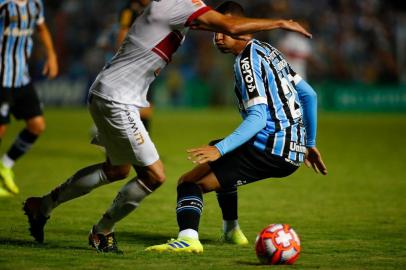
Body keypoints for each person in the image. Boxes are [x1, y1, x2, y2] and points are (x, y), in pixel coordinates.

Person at [23, 0, 312, 253]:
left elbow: (223, 24)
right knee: (155, 176)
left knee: (117, 169)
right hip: (117, 99)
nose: (218, 36)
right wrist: (280, 22)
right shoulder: (178, 5)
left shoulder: (181, 10)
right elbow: (228, 24)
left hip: (113, 94)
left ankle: (43, 206)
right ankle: (102, 231)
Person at [145, 1, 327, 254]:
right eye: (216, 31)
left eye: (225, 30)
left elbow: (258, 118)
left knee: (188, 183)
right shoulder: (268, 51)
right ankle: (231, 231)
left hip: (270, 148)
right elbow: (309, 95)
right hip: (292, 149)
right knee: (219, 153)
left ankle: (188, 239)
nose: (218, 37)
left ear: (245, 30)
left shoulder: (246, 63)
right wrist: (309, 144)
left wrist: (220, 150)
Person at [0, 0, 58, 197]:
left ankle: (5, 165)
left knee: (37, 125)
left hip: (21, 78)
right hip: (1, 78)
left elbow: (41, 29)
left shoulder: (35, 4)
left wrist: (51, 55)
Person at [117, 0, 153, 131]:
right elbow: (123, 31)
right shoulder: (129, 9)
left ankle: (142, 143)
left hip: (149, 61)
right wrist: (122, 58)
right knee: (135, 104)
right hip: (133, 62)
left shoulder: (155, 6)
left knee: (147, 105)